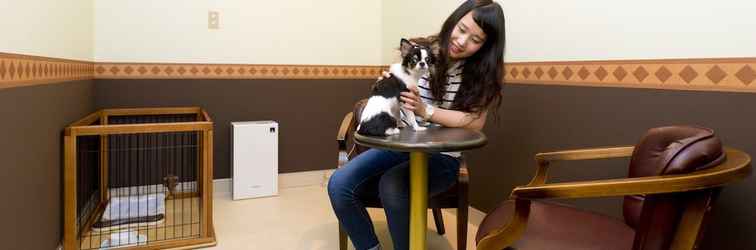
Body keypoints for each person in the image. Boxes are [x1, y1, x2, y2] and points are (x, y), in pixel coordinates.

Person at [328, 1, 505, 249]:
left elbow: (475, 122)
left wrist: (426, 111)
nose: (463, 41)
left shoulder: (482, 75)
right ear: (453, 22)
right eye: (462, 29)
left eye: (475, 39)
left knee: (392, 185)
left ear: (486, 46)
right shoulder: (419, 50)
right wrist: (386, 86)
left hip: (442, 156)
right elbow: (395, 97)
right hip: (399, 146)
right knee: (339, 184)